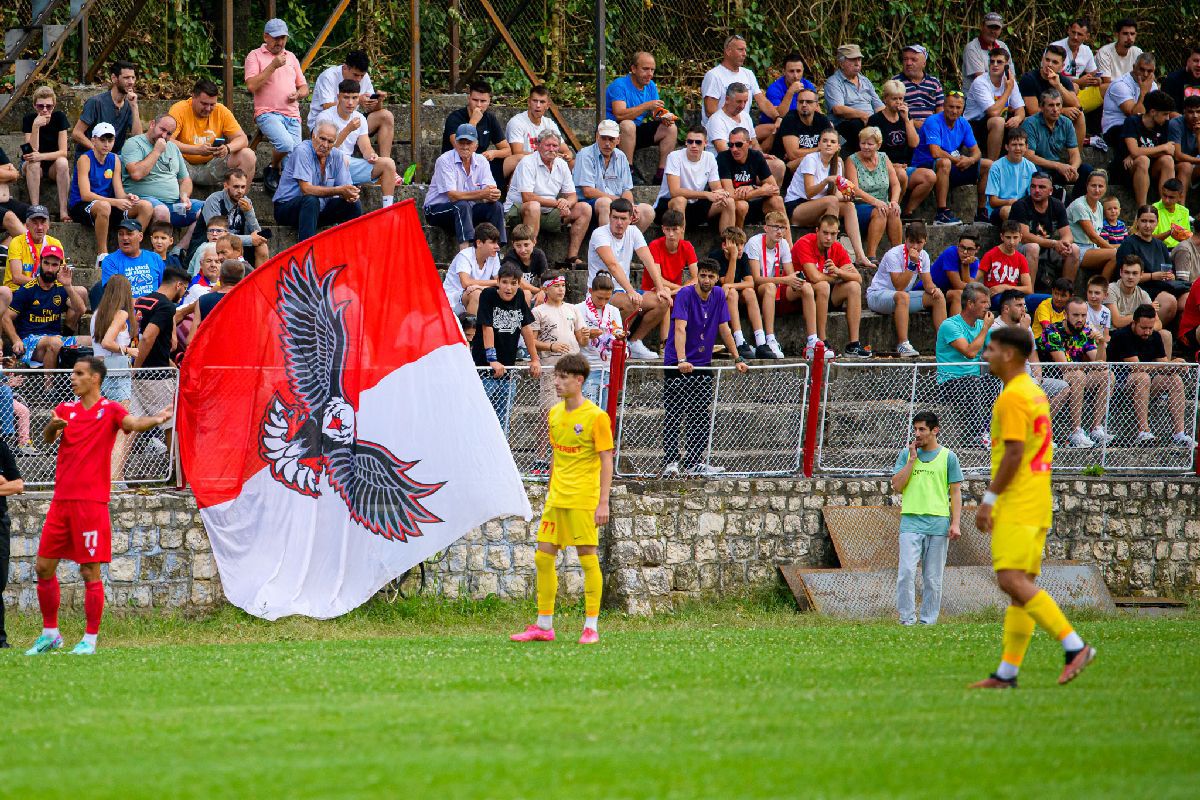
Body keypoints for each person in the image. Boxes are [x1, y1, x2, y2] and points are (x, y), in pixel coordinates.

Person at [970, 325, 1096, 689]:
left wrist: (989, 499)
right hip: (1038, 497)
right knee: (1019, 585)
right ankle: (1007, 673)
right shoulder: (1034, 392)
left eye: (991, 348)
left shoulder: (1011, 396)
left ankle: (1074, 646)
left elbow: (1013, 452)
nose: (986, 354)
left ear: (1009, 354)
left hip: (1018, 499)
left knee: (1010, 579)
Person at [24, 357, 172, 656]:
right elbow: (49, 438)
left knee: (90, 572)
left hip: (91, 503)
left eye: (79, 374)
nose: (73, 378)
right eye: (73, 374)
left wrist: (156, 419)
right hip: (61, 501)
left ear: (95, 378)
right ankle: (50, 633)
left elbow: (132, 423)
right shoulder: (65, 409)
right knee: (43, 566)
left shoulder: (112, 410)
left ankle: (89, 640)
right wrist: (52, 426)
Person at [509, 353, 611, 645]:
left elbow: (606, 461)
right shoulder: (554, 414)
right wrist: (551, 491)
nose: (556, 382)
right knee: (543, 557)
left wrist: (603, 502)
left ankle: (591, 626)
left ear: (579, 381)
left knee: (588, 559)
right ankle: (544, 625)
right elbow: (556, 455)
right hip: (557, 499)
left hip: (583, 499)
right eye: (556, 377)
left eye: (563, 377)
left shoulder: (596, 417)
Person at [661, 258, 749, 476]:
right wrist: (681, 360)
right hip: (677, 361)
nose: (706, 280)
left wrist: (737, 358)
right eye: (703, 275)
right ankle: (671, 461)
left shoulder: (719, 294)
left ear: (717, 279)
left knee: (700, 413)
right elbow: (680, 328)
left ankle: (694, 461)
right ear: (697, 276)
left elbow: (724, 328)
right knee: (674, 412)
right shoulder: (685, 294)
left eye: (711, 276)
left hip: (702, 362)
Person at [891, 410, 962, 626]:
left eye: (922, 429)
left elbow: (956, 492)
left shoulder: (948, 457)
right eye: (915, 429)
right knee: (906, 573)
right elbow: (897, 485)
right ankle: (907, 620)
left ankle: (928, 621)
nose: (917, 434)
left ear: (935, 430)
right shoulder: (906, 455)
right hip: (911, 522)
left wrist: (955, 523)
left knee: (932, 578)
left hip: (938, 524)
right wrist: (912, 461)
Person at [585, 198, 664, 358]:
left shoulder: (633, 232)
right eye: (615, 218)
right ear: (609, 217)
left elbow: (648, 259)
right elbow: (612, 265)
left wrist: (661, 288)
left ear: (631, 219)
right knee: (631, 302)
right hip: (601, 292)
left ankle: (633, 342)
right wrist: (630, 291)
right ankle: (612, 340)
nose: (619, 223)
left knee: (662, 301)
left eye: (623, 219)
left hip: (622, 290)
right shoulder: (600, 233)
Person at [1109, 304, 1196, 447]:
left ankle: (1179, 433)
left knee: (1174, 379)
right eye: (1143, 328)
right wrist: (1169, 365)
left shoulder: (1154, 336)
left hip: (1145, 385)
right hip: (1119, 385)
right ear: (1134, 323)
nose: (1148, 332)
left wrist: (1176, 366)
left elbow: (1163, 364)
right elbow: (1136, 367)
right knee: (1142, 376)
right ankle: (1143, 431)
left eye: (1150, 328)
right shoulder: (1122, 335)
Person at [784, 128, 872, 266]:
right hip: (798, 206)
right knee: (832, 201)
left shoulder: (837, 164)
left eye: (832, 142)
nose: (828, 144)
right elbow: (809, 192)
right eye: (824, 141)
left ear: (838, 146)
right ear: (819, 144)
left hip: (820, 204)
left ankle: (860, 255)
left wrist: (848, 197)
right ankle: (830, 254)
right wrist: (825, 181)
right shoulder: (811, 159)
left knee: (849, 206)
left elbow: (835, 194)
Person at [67, 122, 151, 266]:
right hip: (82, 205)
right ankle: (102, 256)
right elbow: (85, 194)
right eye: (102, 140)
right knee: (104, 206)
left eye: (110, 140)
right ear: (93, 140)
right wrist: (115, 202)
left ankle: (127, 251)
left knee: (146, 206)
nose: (106, 144)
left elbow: (118, 192)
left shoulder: (115, 159)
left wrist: (128, 197)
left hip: (108, 205)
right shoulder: (85, 159)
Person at [504, 130, 591, 269]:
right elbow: (527, 197)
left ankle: (571, 257)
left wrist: (566, 203)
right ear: (538, 145)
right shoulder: (527, 162)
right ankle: (530, 258)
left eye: (555, 146)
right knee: (533, 206)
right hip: (518, 211)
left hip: (548, 212)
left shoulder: (561, 164)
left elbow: (572, 195)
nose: (551, 149)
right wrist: (558, 203)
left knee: (584, 208)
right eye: (547, 145)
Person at [903, 91, 991, 225]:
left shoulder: (963, 123)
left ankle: (981, 211)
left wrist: (970, 160)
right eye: (951, 107)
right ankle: (941, 212)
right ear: (944, 106)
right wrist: (958, 160)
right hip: (925, 164)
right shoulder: (933, 121)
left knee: (987, 165)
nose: (954, 111)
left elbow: (976, 151)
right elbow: (935, 152)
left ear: (963, 109)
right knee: (944, 162)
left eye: (958, 108)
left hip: (952, 164)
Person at [473, 263, 541, 430]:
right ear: (497, 281)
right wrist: (492, 359)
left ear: (519, 284)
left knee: (503, 420)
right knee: (480, 417)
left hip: (508, 369)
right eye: (505, 282)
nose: (509, 287)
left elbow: (526, 328)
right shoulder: (488, 295)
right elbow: (486, 327)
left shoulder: (518, 296)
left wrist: (534, 358)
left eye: (513, 283)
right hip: (485, 369)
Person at [121, 114, 204, 253]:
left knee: (208, 209)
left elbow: (185, 180)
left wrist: (184, 196)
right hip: (145, 201)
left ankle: (178, 250)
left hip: (174, 205)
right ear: (152, 124)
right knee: (161, 210)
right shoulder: (134, 144)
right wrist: (157, 151)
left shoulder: (173, 148)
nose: (164, 136)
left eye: (169, 133)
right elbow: (136, 174)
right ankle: (159, 257)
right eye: (162, 129)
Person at [795, 213, 872, 358]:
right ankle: (822, 341)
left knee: (854, 287)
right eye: (825, 233)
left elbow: (858, 278)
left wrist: (838, 271)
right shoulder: (804, 242)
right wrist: (836, 276)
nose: (829, 238)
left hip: (825, 295)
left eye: (832, 234)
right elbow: (814, 277)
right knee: (823, 285)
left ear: (837, 233)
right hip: (801, 293)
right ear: (817, 231)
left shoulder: (836, 247)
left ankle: (853, 345)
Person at [245, 19, 308, 194]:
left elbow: (304, 87)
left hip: (292, 115)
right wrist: (272, 66)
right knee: (286, 145)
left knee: (295, 165)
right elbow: (251, 86)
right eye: (276, 38)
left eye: (283, 38)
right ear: (266, 37)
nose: (280, 42)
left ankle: (281, 186)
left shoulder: (292, 57)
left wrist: (299, 94)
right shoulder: (255, 55)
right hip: (267, 113)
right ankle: (273, 166)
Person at [272, 122, 363, 243]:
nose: (325, 145)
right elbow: (306, 189)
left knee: (354, 205)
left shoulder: (337, 156)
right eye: (322, 139)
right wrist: (340, 190)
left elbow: (345, 187)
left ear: (334, 143)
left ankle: (350, 248)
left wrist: (351, 194)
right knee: (310, 200)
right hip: (287, 209)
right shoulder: (302, 151)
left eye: (330, 142)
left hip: (317, 210)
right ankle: (305, 252)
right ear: (313, 136)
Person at [866, 222, 947, 357]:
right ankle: (903, 344)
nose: (915, 247)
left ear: (925, 241)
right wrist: (912, 264)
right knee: (902, 295)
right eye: (911, 242)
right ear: (906, 240)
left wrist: (934, 289)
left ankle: (944, 344)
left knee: (937, 297)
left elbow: (927, 284)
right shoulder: (893, 254)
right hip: (877, 296)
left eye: (919, 243)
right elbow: (899, 286)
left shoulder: (924, 255)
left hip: (901, 298)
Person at [1039, 297, 1110, 448]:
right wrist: (1088, 367)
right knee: (1077, 375)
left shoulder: (1085, 331)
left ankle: (1096, 428)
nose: (1080, 319)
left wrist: (1102, 343)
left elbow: (1100, 365)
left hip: (1077, 376)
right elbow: (1064, 366)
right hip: (1052, 378)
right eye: (1076, 315)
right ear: (1065, 315)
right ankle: (1076, 431)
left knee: (1107, 375)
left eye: (1083, 316)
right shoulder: (1052, 331)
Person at [4, 244, 89, 369]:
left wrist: (68, 286)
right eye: (46, 263)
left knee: (94, 341)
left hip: (56, 338)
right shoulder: (27, 289)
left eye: (54, 265)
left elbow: (81, 309)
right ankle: (49, 388)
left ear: (60, 266)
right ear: (40, 263)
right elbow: (6, 318)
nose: (49, 269)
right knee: (54, 342)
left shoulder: (61, 288)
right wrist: (16, 340)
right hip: (30, 343)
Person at [315, 79, 398, 206]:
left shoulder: (359, 118)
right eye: (346, 97)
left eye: (354, 98)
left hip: (349, 164)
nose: (350, 102)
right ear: (338, 97)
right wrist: (348, 129)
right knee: (342, 159)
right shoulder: (325, 116)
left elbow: (365, 147)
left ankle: (388, 209)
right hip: (327, 164)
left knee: (388, 164)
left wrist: (371, 155)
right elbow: (325, 150)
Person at [424, 123, 504, 250]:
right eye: (461, 143)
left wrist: (493, 195)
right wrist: (483, 194)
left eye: (469, 143)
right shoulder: (444, 160)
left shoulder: (481, 161)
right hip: (436, 210)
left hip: (465, 211)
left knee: (496, 207)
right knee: (461, 205)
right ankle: (465, 254)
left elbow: (489, 190)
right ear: (455, 144)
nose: (465, 147)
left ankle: (496, 250)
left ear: (476, 145)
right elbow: (453, 196)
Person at [934, 281, 995, 444]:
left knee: (997, 382)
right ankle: (977, 434)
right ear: (970, 304)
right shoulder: (950, 325)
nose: (987, 306)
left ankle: (991, 431)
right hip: (949, 383)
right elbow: (969, 352)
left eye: (988, 302)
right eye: (983, 302)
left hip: (974, 380)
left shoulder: (983, 324)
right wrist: (985, 329)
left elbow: (994, 350)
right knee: (973, 383)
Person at [308, 50, 393, 162]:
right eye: (355, 75)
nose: (358, 79)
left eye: (361, 76)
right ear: (345, 68)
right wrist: (357, 101)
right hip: (326, 125)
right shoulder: (328, 76)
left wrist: (378, 101)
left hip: (352, 121)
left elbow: (372, 109)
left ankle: (385, 163)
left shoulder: (364, 77)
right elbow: (327, 106)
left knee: (386, 116)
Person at [605, 51, 677, 182]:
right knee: (627, 125)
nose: (649, 74)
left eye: (652, 70)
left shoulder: (650, 86)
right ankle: (627, 171)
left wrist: (664, 116)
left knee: (670, 128)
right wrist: (646, 106)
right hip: (614, 133)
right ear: (633, 69)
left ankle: (662, 174)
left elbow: (655, 111)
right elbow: (619, 114)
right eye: (645, 69)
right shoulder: (619, 85)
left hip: (635, 132)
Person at [168, 78, 255, 186]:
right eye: (204, 104)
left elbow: (242, 139)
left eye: (212, 104)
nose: (208, 108)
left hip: (212, 165)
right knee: (161, 152)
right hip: (183, 167)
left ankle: (239, 202)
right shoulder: (179, 109)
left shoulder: (221, 110)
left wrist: (227, 148)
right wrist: (197, 150)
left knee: (248, 155)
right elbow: (167, 140)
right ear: (193, 96)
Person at [573, 120, 654, 232]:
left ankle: (626, 246)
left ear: (618, 139)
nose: (607, 143)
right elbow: (588, 191)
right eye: (603, 138)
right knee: (605, 203)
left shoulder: (621, 156)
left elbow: (626, 189)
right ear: (597, 137)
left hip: (616, 204)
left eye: (611, 139)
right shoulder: (585, 154)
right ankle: (605, 246)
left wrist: (630, 205)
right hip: (591, 205)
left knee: (647, 211)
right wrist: (620, 202)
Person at [699, 35, 780, 142]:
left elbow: (762, 102)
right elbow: (710, 111)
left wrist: (777, 117)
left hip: (744, 131)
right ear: (728, 51)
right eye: (740, 50)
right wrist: (731, 127)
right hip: (721, 133)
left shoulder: (748, 74)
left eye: (745, 50)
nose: (745, 54)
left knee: (779, 128)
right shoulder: (714, 75)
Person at [653, 127, 734, 231]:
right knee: (680, 201)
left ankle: (729, 245)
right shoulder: (674, 156)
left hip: (695, 205)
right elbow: (675, 192)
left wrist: (722, 194)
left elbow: (716, 187)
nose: (693, 145)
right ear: (686, 142)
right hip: (668, 207)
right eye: (690, 142)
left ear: (705, 143)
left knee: (729, 202)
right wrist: (705, 194)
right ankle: (681, 246)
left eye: (698, 142)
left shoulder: (709, 157)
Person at [706, 83, 785, 184]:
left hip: (746, 161)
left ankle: (771, 197)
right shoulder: (717, 120)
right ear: (727, 99)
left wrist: (760, 156)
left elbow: (754, 143)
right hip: (726, 166)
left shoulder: (745, 116)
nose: (742, 106)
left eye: (745, 102)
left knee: (778, 165)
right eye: (739, 102)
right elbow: (724, 151)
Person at [1011, 172, 1079, 288]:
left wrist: (1065, 244)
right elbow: (1025, 237)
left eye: (1041, 187)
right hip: (1021, 248)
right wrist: (1053, 243)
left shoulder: (1057, 205)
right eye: (1033, 186)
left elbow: (1067, 234)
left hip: (1047, 249)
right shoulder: (1020, 205)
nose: (1036, 190)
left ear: (1051, 191)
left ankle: (1065, 292)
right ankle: (1029, 292)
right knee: (1033, 247)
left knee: (1074, 249)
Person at [745, 211, 798, 359]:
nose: (780, 232)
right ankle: (770, 338)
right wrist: (785, 280)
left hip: (775, 285)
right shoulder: (754, 242)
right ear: (766, 228)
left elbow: (790, 273)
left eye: (783, 228)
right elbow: (756, 279)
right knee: (769, 287)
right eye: (776, 227)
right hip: (755, 288)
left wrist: (796, 280)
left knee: (806, 288)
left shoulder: (784, 244)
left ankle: (814, 339)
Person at [1117, 208, 1188, 315]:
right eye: (1144, 221)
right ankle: (1150, 328)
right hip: (1141, 288)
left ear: (1157, 223)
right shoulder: (1129, 244)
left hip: (1163, 285)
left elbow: (1169, 270)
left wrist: (1170, 276)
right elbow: (1125, 275)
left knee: (1188, 299)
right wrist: (1153, 276)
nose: (1147, 225)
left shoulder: (1161, 245)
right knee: (1169, 301)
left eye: (1151, 221)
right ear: (1137, 222)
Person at [1022, 89, 1091, 199]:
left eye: (1058, 105)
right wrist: (1058, 166)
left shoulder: (1066, 122)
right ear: (1041, 107)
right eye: (1051, 105)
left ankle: (1075, 205)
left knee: (1086, 170)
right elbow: (1028, 156)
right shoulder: (1030, 123)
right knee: (1034, 169)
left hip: (1058, 170)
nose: (1055, 109)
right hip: (1041, 168)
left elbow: (1075, 154)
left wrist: (1072, 169)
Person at [1113, 89, 1176, 207]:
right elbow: (1134, 150)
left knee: (1167, 160)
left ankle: (1166, 208)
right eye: (1165, 114)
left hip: (1151, 168)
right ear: (1152, 112)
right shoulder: (1132, 121)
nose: (1167, 118)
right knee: (1143, 160)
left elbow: (1169, 151)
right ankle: (1142, 209)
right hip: (1128, 169)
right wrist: (1161, 148)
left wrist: (1138, 153)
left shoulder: (1164, 125)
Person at [642, 209, 697, 346]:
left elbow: (697, 278)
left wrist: (677, 290)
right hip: (653, 290)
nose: (671, 234)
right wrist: (680, 289)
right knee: (666, 292)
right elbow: (658, 279)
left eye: (675, 229)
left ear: (682, 228)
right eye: (667, 229)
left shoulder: (687, 246)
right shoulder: (655, 245)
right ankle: (664, 343)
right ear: (662, 229)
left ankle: (696, 341)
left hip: (674, 292)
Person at [441, 81, 510, 190]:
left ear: (489, 101)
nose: (478, 105)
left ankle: (507, 199)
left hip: (481, 163)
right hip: (458, 164)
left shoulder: (490, 118)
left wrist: (494, 153)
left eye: (483, 101)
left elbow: (507, 150)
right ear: (469, 98)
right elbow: (459, 147)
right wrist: (473, 121)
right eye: (475, 100)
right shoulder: (455, 118)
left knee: (517, 159)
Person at [846, 126, 902, 259]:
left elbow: (895, 184)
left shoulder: (883, 157)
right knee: (880, 211)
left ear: (878, 145)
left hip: (882, 203)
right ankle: (871, 255)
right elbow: (855, 189)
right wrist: (875, 202)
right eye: (862, 143)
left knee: (893, 211)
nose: (865, 147)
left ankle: (898, 255)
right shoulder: (851, 160)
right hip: (860, 205)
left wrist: (894, 201)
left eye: (870, 144)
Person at [717, 126, 785, 228]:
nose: (734, 149)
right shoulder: (723, 158)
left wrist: (752, 187)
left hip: (751, 204)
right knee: (741, 205)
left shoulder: (756, 156)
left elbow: (775, 189)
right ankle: (737, 241)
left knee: (777, 200)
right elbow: (730, 195)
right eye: (731, 145)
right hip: (730, 210)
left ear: (749, 144)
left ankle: (788, 243)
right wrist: (760, 191)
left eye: (739, 144)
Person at [1018, 46, 1085, 147]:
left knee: (1079, 115)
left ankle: (1076, 156)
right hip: (1033, 121)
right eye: (1047, 60)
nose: (1049, 64)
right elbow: (1033, 111)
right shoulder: (1029, 78)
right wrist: (1062, 111)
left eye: (1055, 62)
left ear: (1062, 66)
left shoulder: (1063, 80)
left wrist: (1058, 85)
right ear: (1042, 59)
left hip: (1055, 119)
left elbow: (1076, 104)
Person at [965, 48, 1024, 162]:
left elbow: (1020, 109)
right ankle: (991, 166)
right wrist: (1008, 90)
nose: (995, 65)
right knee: (998, 121)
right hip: (974, 125)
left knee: (1025, 121)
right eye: (992, 61)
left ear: (1007, 65)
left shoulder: (1009, 81)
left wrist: (1018, 118)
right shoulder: (980, 82)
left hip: (997, 123)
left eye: (999, 62)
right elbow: (993, 112)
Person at [201, 169, 269, 267]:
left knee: (262, 246)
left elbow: (258, 234)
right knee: (227, 247)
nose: (240, 191)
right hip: (215, 244)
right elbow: (217, 236)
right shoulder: (214, 201)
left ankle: (260, 281)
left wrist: (248, 212)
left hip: (237, 245)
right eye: (236, 187)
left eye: (243, 187)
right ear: (226, 185)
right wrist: (250, 239)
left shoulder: (246, 202)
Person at [21, 86, 70, 220]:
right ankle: (35, 210)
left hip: (53, 165)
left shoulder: (59, 117)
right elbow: (30, 152)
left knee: (63, 162)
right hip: (33, 165)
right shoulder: (28, 119)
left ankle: (63, 211)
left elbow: (63, 152)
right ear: (34, 105)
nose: (44, 110)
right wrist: (36, 126)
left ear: (54, 106)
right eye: (40, 106)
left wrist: (41, 156)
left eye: (48, 106)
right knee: (34, 163)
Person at [824, 44, 884, 154]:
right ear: (841, 63)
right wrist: (863, 115)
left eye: (859, 59)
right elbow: (838, 109)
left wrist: (886, 118)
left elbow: (879, 106)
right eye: (852, 60)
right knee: (856, 124)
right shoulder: (833, 82)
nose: (857, 63)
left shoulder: (865, 81)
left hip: (869, 122)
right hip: (846, 126)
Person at [71, 61, 141, 156]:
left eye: (133, 78)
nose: (131, 82)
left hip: (114, 160)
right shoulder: (96, 102)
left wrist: (134, 106)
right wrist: (99, 151)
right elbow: (76, 133)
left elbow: (137, 138)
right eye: (126, 78)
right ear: (114, 78)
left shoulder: (130, 105)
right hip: (90, 158)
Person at [576, 272, 624, 406]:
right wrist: (587, 334)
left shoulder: (613, 310)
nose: (603, 302)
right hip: (586, 365)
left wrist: (619, 335)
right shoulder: (578, 309)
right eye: (599, 298)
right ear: (590, 291)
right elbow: (573, 336)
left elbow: (617, 330)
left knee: (603, 410)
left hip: (607, 366)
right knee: (588, 410)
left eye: (607, 298)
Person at [980, 220, 1049, 313]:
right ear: (1002, 237)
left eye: (1015, 237)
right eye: (1008, 237)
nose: (1012, 242)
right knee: (1008, 302)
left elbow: (1028, 289)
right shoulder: (990, 255)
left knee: (1050, 300)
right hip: (996, 298)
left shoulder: (1021, 258)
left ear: (1020, 237)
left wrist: (1005, 287)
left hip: (1016, 296)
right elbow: (974, 280)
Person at [503, 85, 571, 179]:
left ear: (547, 105)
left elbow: (565, 150)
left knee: (573, 163)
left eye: (542, 102)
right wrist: (546, 155)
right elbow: (517, 153)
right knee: (521, 165)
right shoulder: (517, 122)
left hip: (547, 163)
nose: (538, 105)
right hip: (524, 165)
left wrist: (567, 156)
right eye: (535, 101)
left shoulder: (549, 123)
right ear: (529, 102)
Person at [1101, 52, 1160, 151]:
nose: (1145, 74)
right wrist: (1144, 93)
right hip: (1116, 128)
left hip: (1141, 127)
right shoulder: (1120, 84)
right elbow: (1135, 115)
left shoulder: (1152, 85)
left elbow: (1157, 112)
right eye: (1142, 69)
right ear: (1134, 67)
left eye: (1150, 71)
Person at [1066, 170, 1119, 279]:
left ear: (1105, 188)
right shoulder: (1079, 206)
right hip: (1077, 249)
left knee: (1126, 248)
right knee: (1116, 255)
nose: (1097, 190)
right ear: (1087, 186)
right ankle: (1102, 286)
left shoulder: (1099, 205)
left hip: (1093, 248)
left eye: (1101, 186)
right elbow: (1093, 236)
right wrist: (1114, 250)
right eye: (1093, 186)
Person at [868, 81, 917, 193]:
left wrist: (907, 120)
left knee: (929, 176)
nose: (898, 102)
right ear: (885, 99)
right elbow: (870, 149)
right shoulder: (875, 120)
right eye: (894, 99)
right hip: (884, 166)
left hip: (905, 166)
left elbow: (914, 143)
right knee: (901, 175)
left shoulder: (906, 117)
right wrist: (891, 165)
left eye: (901, 99)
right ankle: (896, 208)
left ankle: (908, 210)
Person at [442, 222, 501, 315]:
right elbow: (466, 283)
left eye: (497, 242)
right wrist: (495, 282)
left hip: (476, 291)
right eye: (492, 242)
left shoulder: (493, 256)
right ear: (479, 243)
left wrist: (481, 286)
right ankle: (471, 329)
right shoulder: (465, 255)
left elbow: (501, 281)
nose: (497, 247)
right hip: (452, 300)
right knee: (476, 294)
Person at [1106, 255, 1176, 331]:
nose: (1130, 277)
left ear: (1141, 275)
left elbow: (1158, 323)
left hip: (1136, 333)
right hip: (1115, 334)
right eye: (1127, 272)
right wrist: (1143, 312)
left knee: (1165, 334)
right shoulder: (1111, 289)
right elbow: (1117, 322)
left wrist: (1145, 330)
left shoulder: (1143, 294)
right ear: (1121, 273)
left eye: (1135, 273)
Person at [99, 219, 164, 300]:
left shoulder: (155, 258)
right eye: (120, 234)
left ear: (140, 237)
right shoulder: (110, 261)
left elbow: (163, 288)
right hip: (126, 310)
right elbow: (114, 295)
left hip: (155, 308)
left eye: (129, 234)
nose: (125, 238)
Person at [919, 231, 980, 315]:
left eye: (969, 249)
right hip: (928, 291)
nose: (965, 252)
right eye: (962, 247)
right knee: (959, 294)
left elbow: (968, 287)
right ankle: (954, 328)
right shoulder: (951, 253)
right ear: (957, 245)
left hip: (945, 293)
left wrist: (965, 265)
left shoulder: (975, 262)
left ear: (977, 249)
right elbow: (958, 285)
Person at [984, 128, 1037, 224]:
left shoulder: (1031, 167)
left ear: (1026, 147)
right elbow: (993, 201)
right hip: (1000, 209)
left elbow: (1032, 195)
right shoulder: (996, 167)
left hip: (1022, 206)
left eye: (1021, 145)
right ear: (1007, 147)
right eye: (1014, 145)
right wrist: (1009, 202)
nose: (1017, 148)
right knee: (1007, 211)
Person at [1052, 18, 1104, 112]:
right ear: (1068, 30)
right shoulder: (1055, 48)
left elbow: (1094, 73)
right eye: (1073, 32)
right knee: (1075, 87)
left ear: (1087, 36)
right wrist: (1079, 82)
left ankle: (1078, 108)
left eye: (1079, 34)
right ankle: (1072, 109)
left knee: (1106, 88)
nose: (1075, 37)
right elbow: (1050, 78)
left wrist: (1097, 80)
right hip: (1057, 92)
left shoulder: (1086, 50)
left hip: (1077, 93)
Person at [0, 433, 22, 648]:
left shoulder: (1, 447)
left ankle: (0, 640)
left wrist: (5, 483)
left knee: (0, 580)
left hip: (0, 522)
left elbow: (17, 486)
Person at [777, 88, 833, 172]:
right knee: (810, 160)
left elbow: (836, 145)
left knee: (838, 161)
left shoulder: (822, 120)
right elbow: (793, 154)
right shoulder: (790, 119)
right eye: (800, 101)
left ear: (816, 105)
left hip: (815, 159)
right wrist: (820, 149)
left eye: (809, 102)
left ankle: (838, 185)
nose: (804, 104)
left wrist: (823, 149)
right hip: (788, 166)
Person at [961, 11, 1011, 93]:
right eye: (990, 27)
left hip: (999, 96)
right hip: (976, 99)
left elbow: (1011, 76)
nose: (993, 31)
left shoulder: (1003, 46)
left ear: (1001, 30)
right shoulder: (972, 48)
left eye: (996, 28)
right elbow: (981, 81)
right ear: (982, 26)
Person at [895, 45, 944, 128]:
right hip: (905, 128)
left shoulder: (934, 83)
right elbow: (891, 111)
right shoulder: (896, 82)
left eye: (913, 60)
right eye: (905, 59)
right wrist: (914, 124)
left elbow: (940, 111)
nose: (908, 63)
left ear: (924, 63)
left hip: (931, 129)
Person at [503, 224, 549, 305]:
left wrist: (543, 292)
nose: (522, 250)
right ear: (513, 244)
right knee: (526, 293)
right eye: (518, 246)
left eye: (526, 245)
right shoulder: (510, 257)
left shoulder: (539, 255)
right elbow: (520, 283)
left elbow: (546, 279)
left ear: (534, 242)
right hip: (509, 292)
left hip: (528, 292)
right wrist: (541, 291)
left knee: (545, 296)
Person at [764, 52, 816, 122]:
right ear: (784, 71)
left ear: (803, 70)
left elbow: (815, 109)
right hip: (777, 127)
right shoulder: (774, 89)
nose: (795, 76)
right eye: (791, 71)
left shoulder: (808, 85)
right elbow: (780, 115)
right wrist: (790, 92)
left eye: (798, 71)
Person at [1096, 18, 1142, 92]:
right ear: (1117, 35)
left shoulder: (1138, 52)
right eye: (1125, 33)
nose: (1129, 37)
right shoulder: (1104, 52)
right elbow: (1107, 83)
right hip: (1111, 92)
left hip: (1132, 91)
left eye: (1132, 34)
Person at [197, 259, 244, 323]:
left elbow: (194, 332)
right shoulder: (251, 302)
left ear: (220, 277)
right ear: (242, 279)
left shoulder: (203, 300)